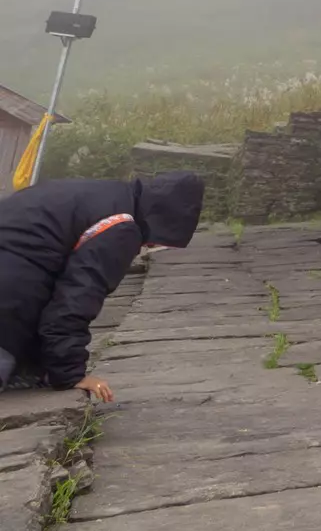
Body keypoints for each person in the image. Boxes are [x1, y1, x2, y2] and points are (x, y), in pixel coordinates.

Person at [0, 171, 205, 402]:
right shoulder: (121, 226)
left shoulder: (106, 195)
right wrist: (69, 373)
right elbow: (76, 299)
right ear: (166, 219)